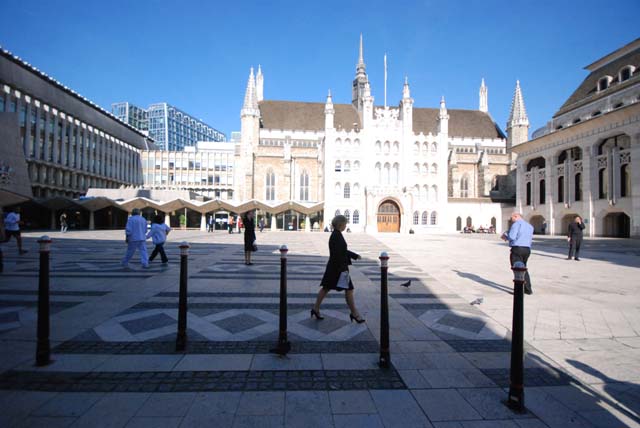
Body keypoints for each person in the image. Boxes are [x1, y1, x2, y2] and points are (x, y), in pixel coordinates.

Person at [312, 215, 365, 323]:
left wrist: (354, 255)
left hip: (334, 268)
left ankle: (315, 309)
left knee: (326, 288)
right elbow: (339, 253)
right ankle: (354, 313)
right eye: (345, 223)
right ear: (340, 224)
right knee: (348, 290)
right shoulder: (336, 236)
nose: (346, 226)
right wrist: (343, 269)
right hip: (338, 269)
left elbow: (342, 251)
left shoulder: (336, 234)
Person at [501, 212, 533, 295]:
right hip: (527, 249)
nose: (511, 220)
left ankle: (519, 291)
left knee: (517, 270)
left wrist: (505, 236)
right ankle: (527, 288)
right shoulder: (529, 226)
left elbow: (512, 236)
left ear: (516, 216)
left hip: (517, 249)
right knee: (523, 269)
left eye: (512, 218)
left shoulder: (516, 224)